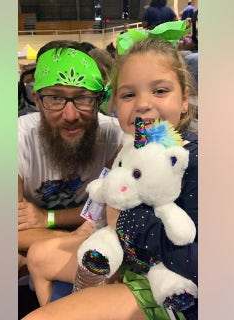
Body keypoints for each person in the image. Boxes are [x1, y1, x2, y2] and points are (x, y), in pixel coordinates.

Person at [23, 37, 198, 320]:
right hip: (125, 256)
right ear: (114, 103)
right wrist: (91, 224)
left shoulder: (195, 162)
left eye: (160, 90)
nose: (142, 104)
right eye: (128, 95)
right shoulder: (128, 145)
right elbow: (107, 186)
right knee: (39, 256)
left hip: (167, 283)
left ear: (184, 101)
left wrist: (127, 224)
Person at [18, 40, 123, 274]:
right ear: (36, 100)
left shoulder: (116, 137)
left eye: (83, 97)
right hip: (83, 240)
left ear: (98, 100)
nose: (70, 115)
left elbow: (107, 212)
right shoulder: (16, 138)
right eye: (55, 98)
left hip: (88, 244)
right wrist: (73, 236)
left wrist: (48, 218)